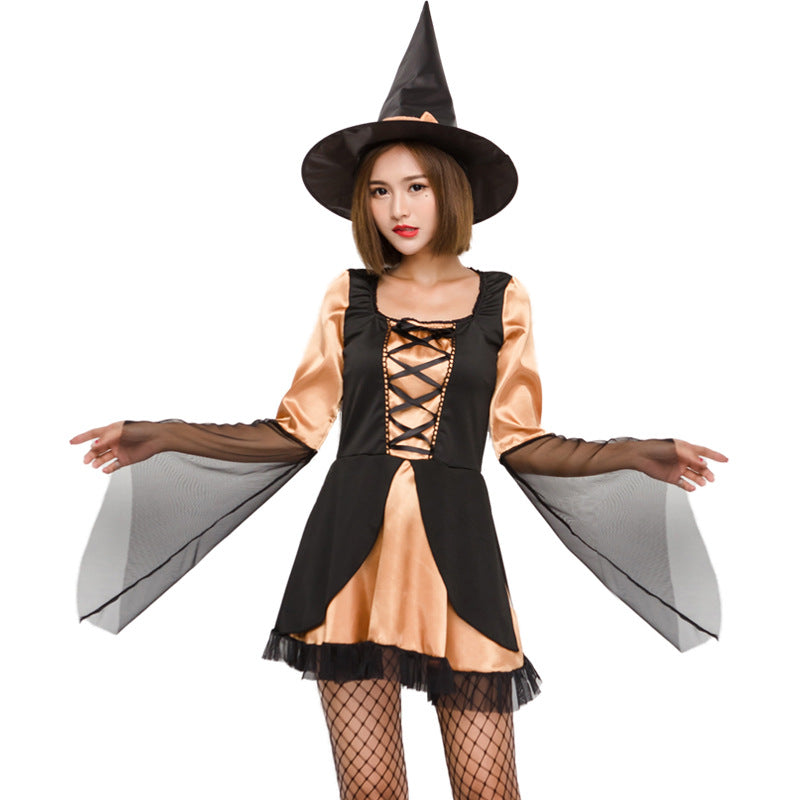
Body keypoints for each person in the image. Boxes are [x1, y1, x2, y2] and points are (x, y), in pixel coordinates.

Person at [71, 5, 726, 799]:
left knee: (490, 789)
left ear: (452, 190)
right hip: (347, 553)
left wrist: (633, 452)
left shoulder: (502, 297)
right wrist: (164, 434)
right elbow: (294, 430)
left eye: (416, 186)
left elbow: (521, 441)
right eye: (380, 190)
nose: (398, 208)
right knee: (371, 793)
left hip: (458, 552)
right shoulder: (347, 295)